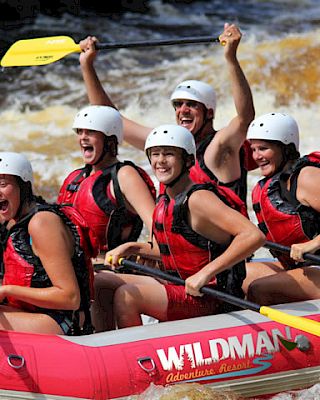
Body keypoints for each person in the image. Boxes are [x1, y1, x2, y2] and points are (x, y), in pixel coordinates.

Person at [105, 125, 265, 328]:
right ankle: (103, 344)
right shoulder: (165, 201)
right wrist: (132, 247)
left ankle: (132, 355)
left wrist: (205, 273)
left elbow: (253, 235)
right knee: (103, 282)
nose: (160, 161)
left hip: (210, 297)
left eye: (169, 154)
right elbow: (177, 250)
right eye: (155, 154)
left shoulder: (199, 198)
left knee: (127, 296)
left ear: (188, 160)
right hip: (180, 286)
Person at [78, 23, 256, 204]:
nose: (182, 110)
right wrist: (87, 65)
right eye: (178, 105)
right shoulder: (166, 142)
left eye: (192, 105)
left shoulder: (219, 147)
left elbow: (245, 118)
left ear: (209, 113)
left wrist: (231, 58)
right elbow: (109, 118)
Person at [57, 105, 156, 331]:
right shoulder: (75, 178)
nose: (82, 138)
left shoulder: (124, 176)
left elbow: (158, 227)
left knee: (95, 282)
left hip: (113, 271)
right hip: (76, 270)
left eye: (90, 132)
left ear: (110, 140)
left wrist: (143, 251)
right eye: (79, 132)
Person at [0, 152, 93, 335]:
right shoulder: (11, 222)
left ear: (24, 186)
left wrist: (8, 290)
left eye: (3, 184)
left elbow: (70, 297)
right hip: (33, 314)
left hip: (64, 323)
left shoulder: (42, 223)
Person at [243, 112, 320, 305]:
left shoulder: (307, 177)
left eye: (264, 148)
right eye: (254, 149)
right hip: (302, 267)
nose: (257, 156)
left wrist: (312, 244)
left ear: (286, 148)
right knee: (237, 277)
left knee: (260, 289)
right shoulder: (270, 186)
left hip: (317, 268)